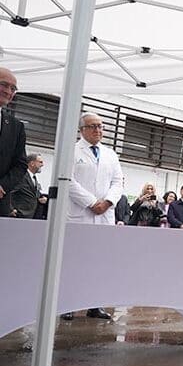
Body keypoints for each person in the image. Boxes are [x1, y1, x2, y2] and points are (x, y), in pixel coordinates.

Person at [65, 112, 124, 320]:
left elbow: (118, 182)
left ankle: (94, 304)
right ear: (82, 129)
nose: (98, 130)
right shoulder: (71, 150)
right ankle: (68, 304)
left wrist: (107, 202)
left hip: (104, 214)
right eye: (92, 126)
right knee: (74, 259)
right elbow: (67, 181)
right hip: (80, 213)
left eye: (100, 126)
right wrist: (91, 202)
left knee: (99, 260)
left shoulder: (110, 154)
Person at [0, 67, 26, 218]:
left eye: (13, 88)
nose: (8, 91)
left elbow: (20, 164)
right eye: (4, 84)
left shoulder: (16, 126)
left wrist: (3, 186)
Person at [10, 153, 47, 219]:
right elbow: (9, 191)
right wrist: (11, 209)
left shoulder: (34, 178)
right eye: (40, 162)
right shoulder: (22, 176)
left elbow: (32, 194)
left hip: (31, 216)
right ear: (32, 163)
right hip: (19, 216)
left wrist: (41, 199)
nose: (42, 165)